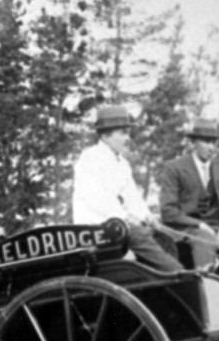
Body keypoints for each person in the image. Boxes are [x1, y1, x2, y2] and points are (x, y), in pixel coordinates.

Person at [72, 105, 183, 274]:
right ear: (105, 136)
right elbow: (97, 200)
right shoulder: (90, 158)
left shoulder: (122, 164)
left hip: (116, 224)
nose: (127, 138)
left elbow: (132, 197)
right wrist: (126, 217)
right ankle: (176, 273)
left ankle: (165, 279)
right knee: (139, 235)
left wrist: (147, 216)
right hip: (94, 227)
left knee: (162, 235)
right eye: (122, 133)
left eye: (127, 133)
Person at [159, 118, 219, 282]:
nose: (211, 147)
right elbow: (167, 211)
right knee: (204, 240)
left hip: (215, 229)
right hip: (184, 230)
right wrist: (199, 224)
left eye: (213, 142)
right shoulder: (174, 168)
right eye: (206, 142)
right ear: (193, 143)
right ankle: (207, 294)